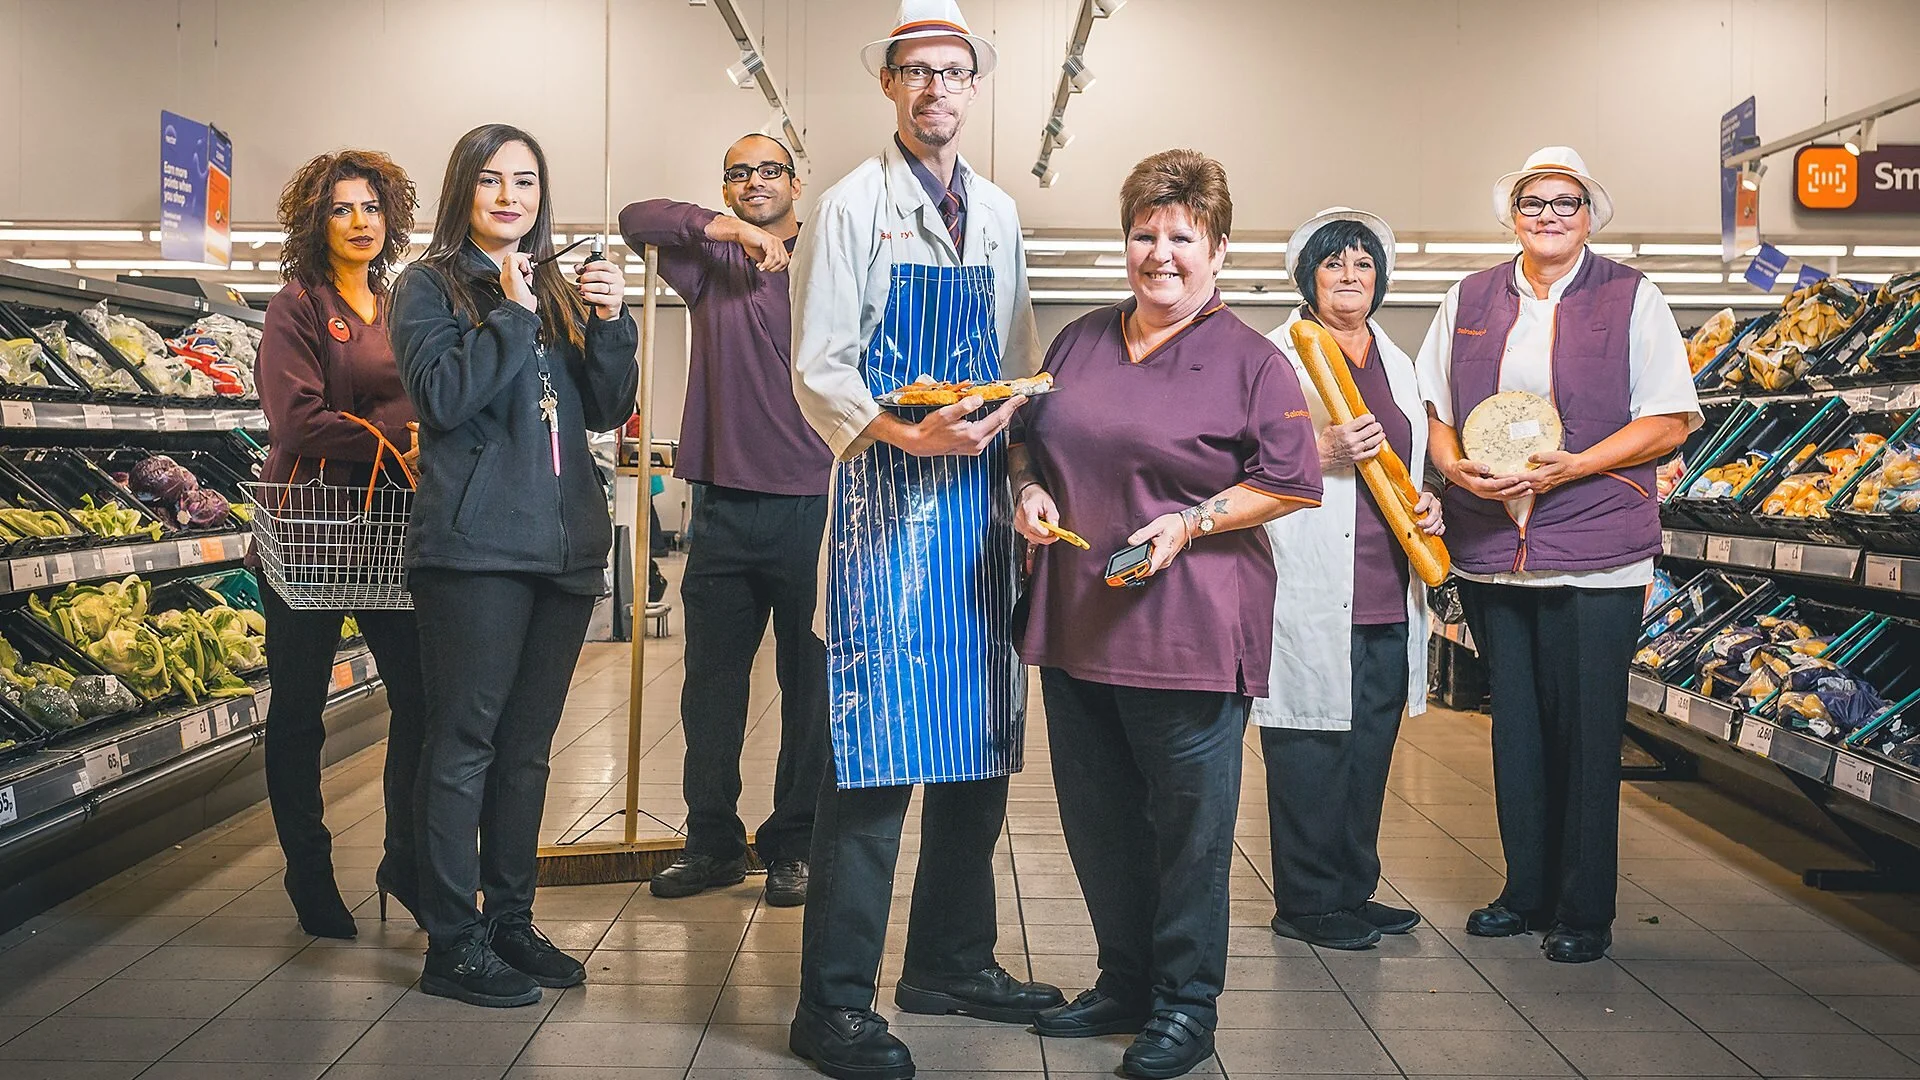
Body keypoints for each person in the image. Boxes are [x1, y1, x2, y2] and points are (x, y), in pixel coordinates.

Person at [785, 2, 1062, 1076]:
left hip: (981, 528)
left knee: (978, 755)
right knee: (870, 765)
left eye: (954, 72)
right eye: (917, 72)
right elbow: (820, 368)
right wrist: (914, 431)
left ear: (972, 88)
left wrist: (1021, 479)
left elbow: (1024, 366)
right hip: (884, 525)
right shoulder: (851, 206)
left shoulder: (996, 213)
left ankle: (951, 959)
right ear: (891, 86)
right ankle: (831, 1007)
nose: (936, 88)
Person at [1011, 149, 1324, 1080]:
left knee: (1186, 832)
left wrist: (1191, 522)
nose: (1159, 254)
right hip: (1077, 621)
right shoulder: (1079, 341)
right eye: (1144, 235)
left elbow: (1289, 483)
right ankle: (1125, 979)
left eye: (1181, 238)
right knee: (1098, 819)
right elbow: (1026, 439)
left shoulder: (1252, 362)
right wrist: (1026, 491)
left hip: (1187, 635)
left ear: (1218, 251)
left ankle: (1187, 1005)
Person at [1417, 146, 1700, 964]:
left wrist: (1581, 462)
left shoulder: (1631, 296)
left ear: (1589, 216)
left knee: (1583, 728)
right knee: (1517, 728)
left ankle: (1583, 908)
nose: (1549, 215)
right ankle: (1523, 890)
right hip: (1493, 548)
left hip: (1597, 546)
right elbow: (1435, 405)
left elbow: (1670, 420)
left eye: (1566, 203)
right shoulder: (1468, 296)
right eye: (1534, 203)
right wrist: (1447, 459)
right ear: (1513, 214)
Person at [389, 123, 639, 1007]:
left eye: (525, 182)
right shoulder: (424, 286)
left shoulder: (560, 290)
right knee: (464, 745)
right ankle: (452, 940)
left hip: (564, 548)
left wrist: (610, 322)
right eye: (491, 181)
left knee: (527, 751)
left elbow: (608, 410)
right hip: (475, 552)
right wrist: (509, 309)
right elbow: (445, 397)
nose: (510, 197)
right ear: (463, 191)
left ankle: (509, 921)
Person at [619, 133, 831, 909]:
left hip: (814, 500)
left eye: (768, 171)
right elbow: (636, 218)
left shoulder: (828, 260)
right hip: (721, 506)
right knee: (710, 691)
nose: (753, 183)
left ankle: (794, 844)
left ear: (796, 183)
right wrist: (731, 229)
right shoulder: (713, 264)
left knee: (809, 689)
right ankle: (711, 842)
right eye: (738, 174)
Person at [1256, 208, 1444, 951]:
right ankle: (1306, 902)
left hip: (1389, 589)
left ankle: (1353, 890)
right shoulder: (1277, 356)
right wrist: (1319, 445)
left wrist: (1427, 501)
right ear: (1309, 278)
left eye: (1363, 265)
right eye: (1334, 265)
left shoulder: (1397, 363)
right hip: (1308, 582)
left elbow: (1410, 455)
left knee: (1370, 750)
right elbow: (1239, 449)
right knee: (1310, 749)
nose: (1349, 278)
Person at [254, 149, 428, 940]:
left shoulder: (396, 303)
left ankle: (407, 862)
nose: (360, 222)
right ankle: (310, 876)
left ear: (390, 218)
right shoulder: (297, 304)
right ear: (315, 221)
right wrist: (401, 444)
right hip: (308, 536)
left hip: (386, 536)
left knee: (423, 703)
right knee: (298, 714)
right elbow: (296, 420)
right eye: (341, 209)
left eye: (371, 208)